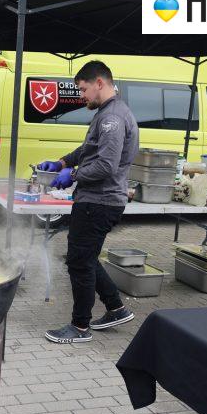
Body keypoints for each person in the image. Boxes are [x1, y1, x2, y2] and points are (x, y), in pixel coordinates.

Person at [37, 60, 139, 344]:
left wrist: (73, 175)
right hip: (100, 200)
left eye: (83, 90)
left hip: (98, 202)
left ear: (99, 83)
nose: (81, 96)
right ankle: (116, 309)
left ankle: (80, 326)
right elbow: (89, 149)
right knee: (86, 258)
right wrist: (62, 163)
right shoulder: (109, 112)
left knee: (79, 264)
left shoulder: (112, 118)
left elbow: (106, 165)